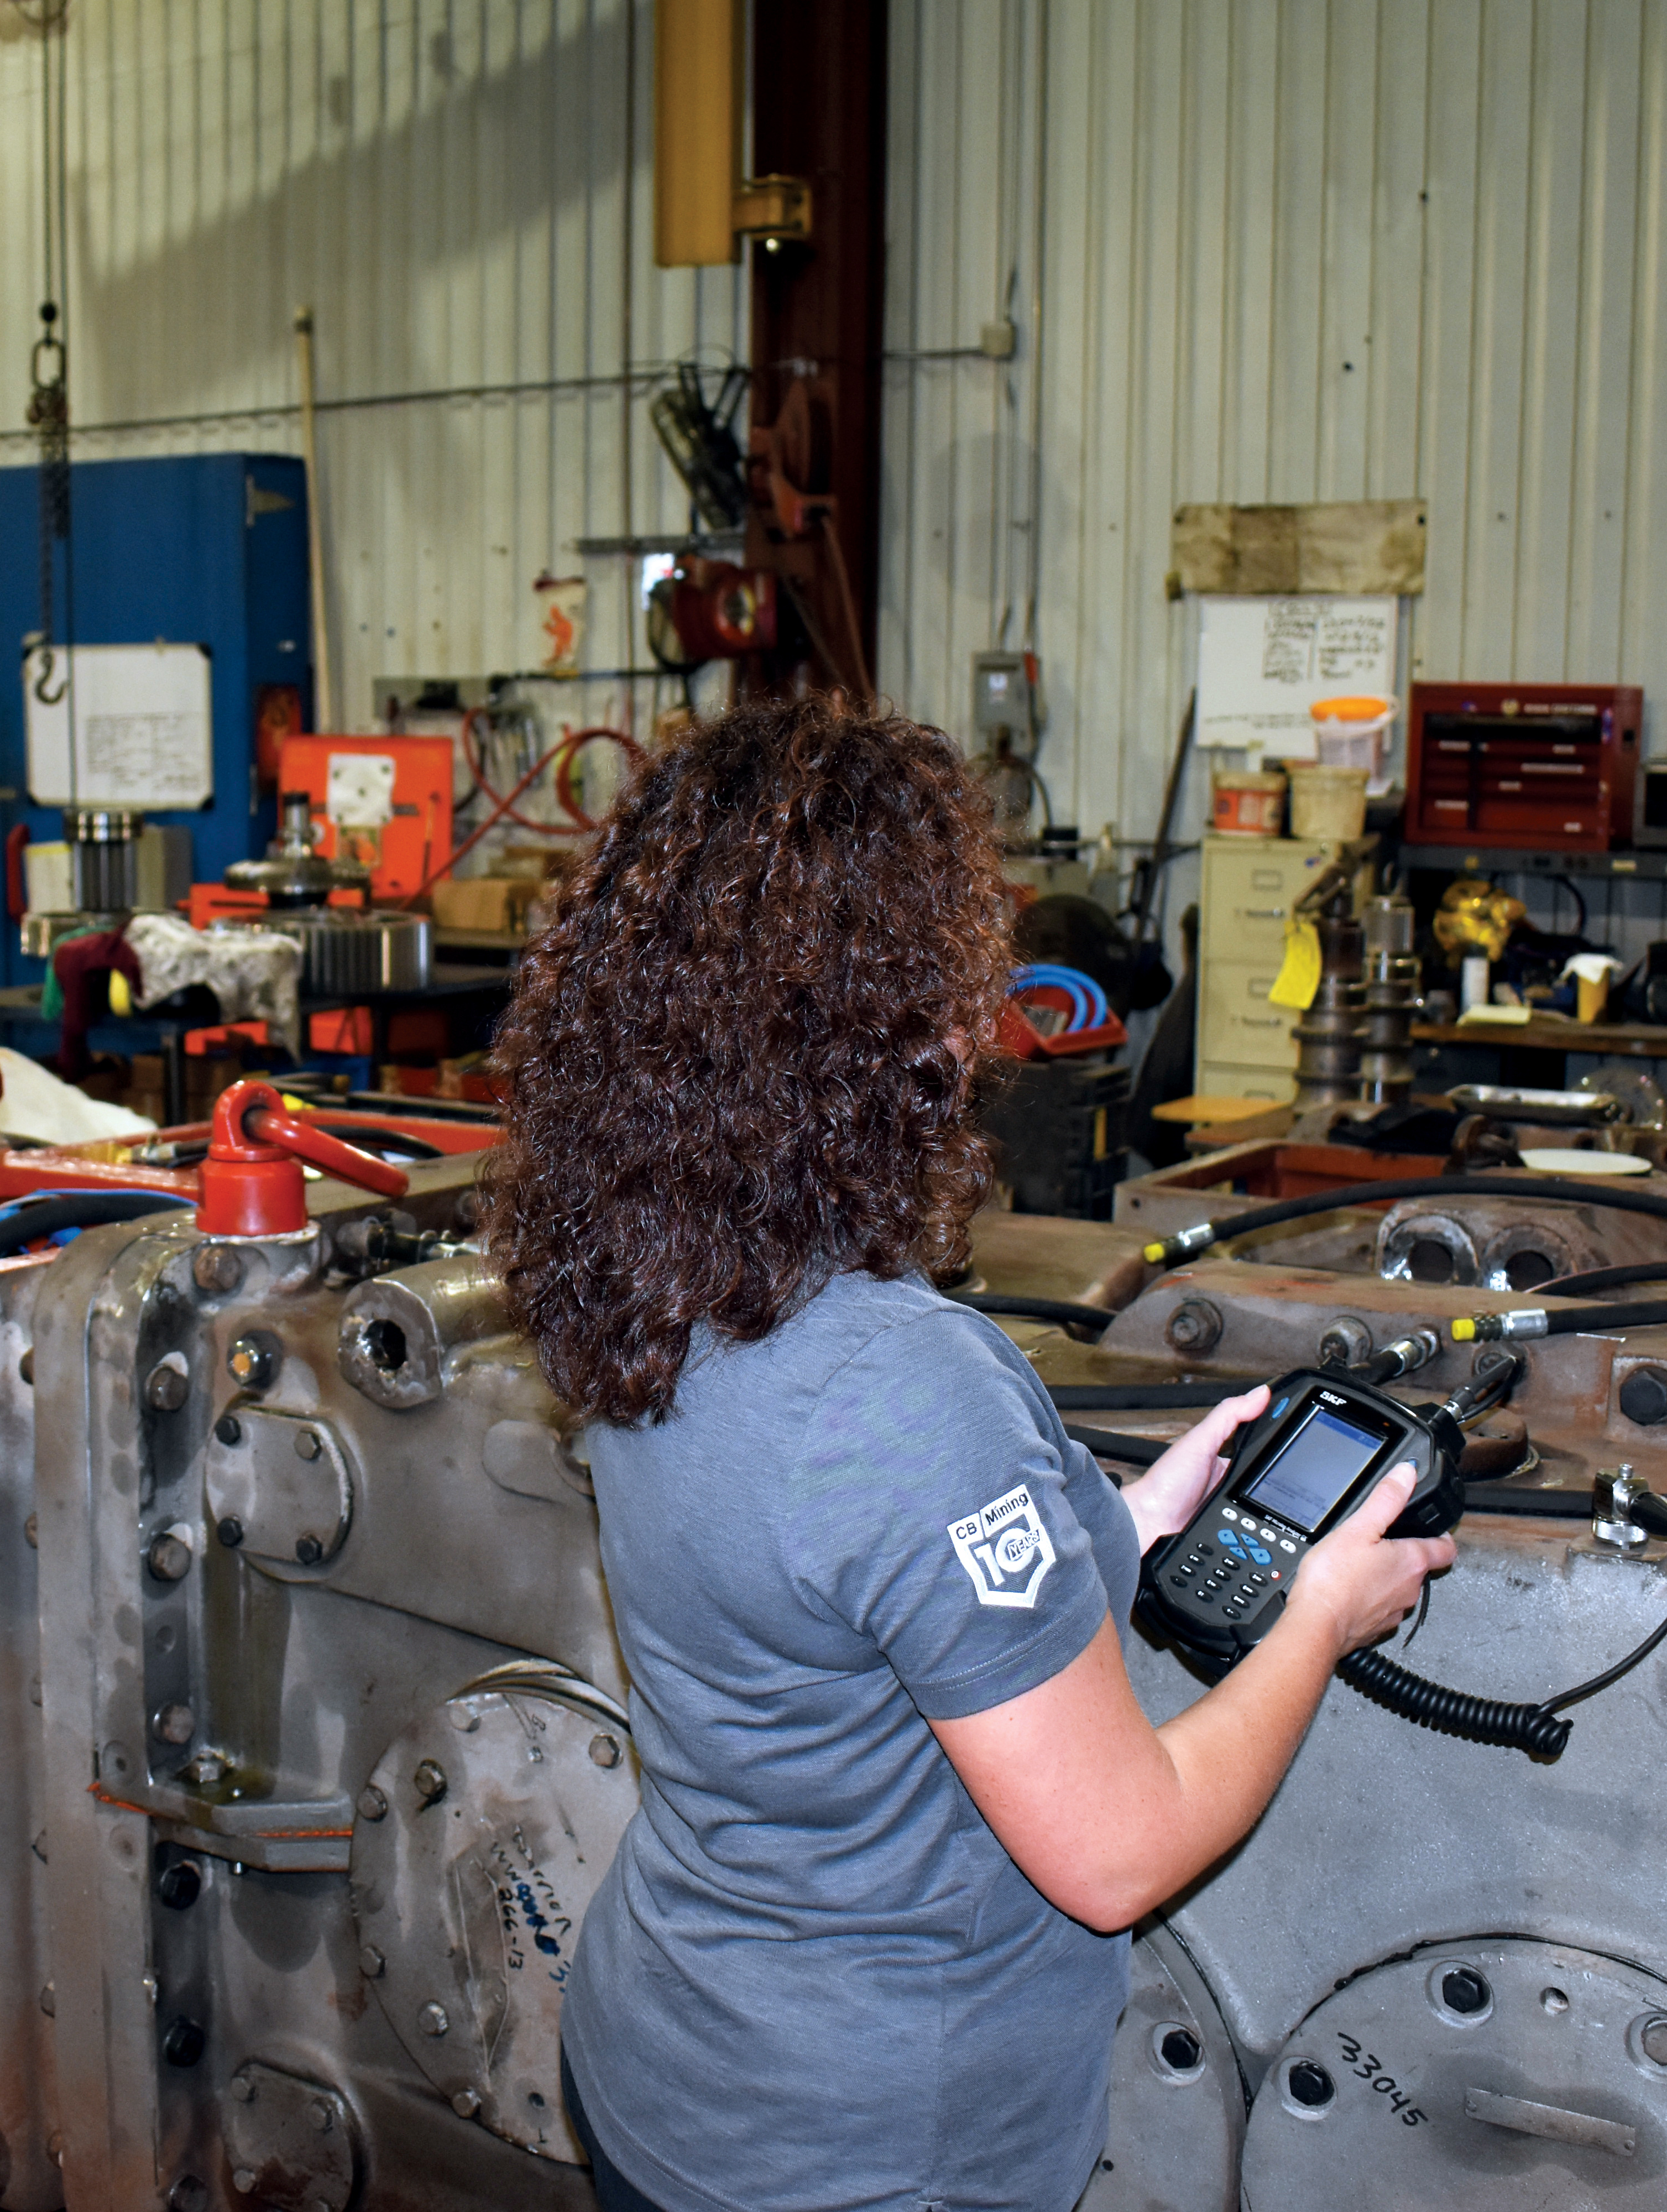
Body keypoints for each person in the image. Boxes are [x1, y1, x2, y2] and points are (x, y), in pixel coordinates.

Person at [484, 696, 1453, 2212]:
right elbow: (1118, 1854)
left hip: (663, 2081)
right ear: (885, 1028)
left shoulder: (643, 1285)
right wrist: (1319, 1617)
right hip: (861, 2156)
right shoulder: (897, 1386)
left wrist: (1119, 1524)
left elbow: (852, 1616)